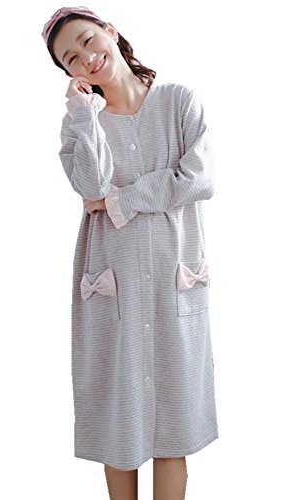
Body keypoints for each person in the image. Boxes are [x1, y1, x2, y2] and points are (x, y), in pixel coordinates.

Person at [42, 6, 219, 500]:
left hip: (173, 277)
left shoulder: (179, 102)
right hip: (111, 283)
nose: (85, 58)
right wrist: (83, 116)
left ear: (110, 31)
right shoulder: (81, 124)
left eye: (87, 41)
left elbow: (199, 179)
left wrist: (120, 201)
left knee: (174, 425)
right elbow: (91, 185)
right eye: (70, 58)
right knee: (118, 426)